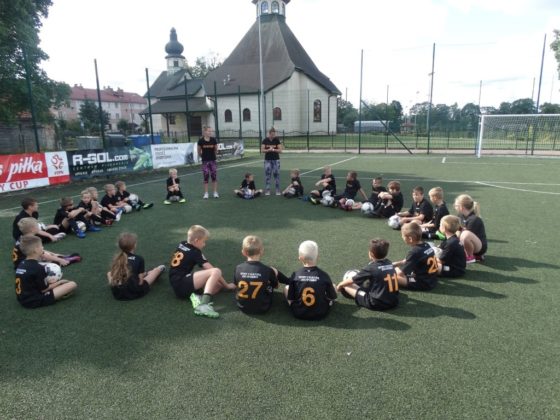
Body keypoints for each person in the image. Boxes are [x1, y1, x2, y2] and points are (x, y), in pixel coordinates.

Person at [168, 225, 235, 318]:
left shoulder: (182, 243)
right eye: (203, 241)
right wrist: (227, 286)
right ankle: (203, 305)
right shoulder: (195, 252)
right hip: (182, 283)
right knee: (216, 271)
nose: (204, 244)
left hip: (176, 282)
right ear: (196, 240)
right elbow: (211, 269)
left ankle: (196, 296)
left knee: (217, 286)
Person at [15, 235, 77, 308]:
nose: (43, 247)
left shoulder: (21, 264)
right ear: (36, 250)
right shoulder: (38, 267)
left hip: (22, 299)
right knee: (72, 284)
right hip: (34, 300)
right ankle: (59, 295)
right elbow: (44, 290)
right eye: (41, 246)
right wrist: (60, 282)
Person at [337, 238, 399, 311]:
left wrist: (340, 285)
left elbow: (352, 280)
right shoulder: (389, 262)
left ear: (371, 253)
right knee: (371, 283)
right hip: (394, 301)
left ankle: (361, 296)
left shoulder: (370, 268)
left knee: (346, 286)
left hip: (376, 303)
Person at [233, 235, 289, 314]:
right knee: (271, 276)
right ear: (261, 251)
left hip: (242, 306)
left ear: (243, 252)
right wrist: (274, 274)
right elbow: (276, 286)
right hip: (262, 307)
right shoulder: (267, 270)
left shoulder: (238, 268)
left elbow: (236, 284)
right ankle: (289, 281)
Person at [284, 240, 337, 320]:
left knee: (286, 288)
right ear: (318, 257)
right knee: (334, 286)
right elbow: (332, 297)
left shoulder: (295, 275)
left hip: (298, 313)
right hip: (321, 313)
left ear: (300, 258)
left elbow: (291, 298)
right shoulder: (324, 275)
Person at [107, 232, 165, 300]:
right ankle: (154, 271)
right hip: (135, 292)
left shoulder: (117, 259)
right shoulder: (139, 259)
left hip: (118, 294)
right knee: (157, 270)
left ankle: (145, 273)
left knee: (109, 273)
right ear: (134, 245)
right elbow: (141, 282)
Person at [12, 218, 81, 270]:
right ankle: (65, 261)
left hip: (21, 263)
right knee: (51, 266)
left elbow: (41, 252)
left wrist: (56, 254)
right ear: (32, 229)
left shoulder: (23, 237)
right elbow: (43, 255)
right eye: (37, 225)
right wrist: (59, 260)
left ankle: (62, 257)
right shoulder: (32, 240)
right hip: (25, 267)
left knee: (46, 255)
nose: (39, 226)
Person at [393, 222, 438, 291]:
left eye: (403, 236)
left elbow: (400, 273)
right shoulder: (427, 245)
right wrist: (395, 264)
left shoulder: (415, 252)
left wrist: (395, 268)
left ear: (410, 239)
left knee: (392, 277)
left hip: (423, 283)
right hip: (432, 279)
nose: (402, 237)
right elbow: (407, 261)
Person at [454, 194, 487, 263]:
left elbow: (464, 237)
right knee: (457, 232)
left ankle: (470, 256)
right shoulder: (460, 216)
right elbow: (457, 231)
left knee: (465, 234)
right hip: (469, 243)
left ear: (461, 207)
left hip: (479, 248)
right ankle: (465, 253)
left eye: (456, 205)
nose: (454, 206)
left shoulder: (474, 219)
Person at [197, 126, 220, 199]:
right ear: (204, 132)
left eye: (211, 131)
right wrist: (203, 157)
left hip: (212, 161)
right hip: (205, 161)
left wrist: (213, 156)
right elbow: (199, 151)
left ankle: (215, 192)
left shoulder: (213, 140)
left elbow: (216, 150)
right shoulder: (200, 141)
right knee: (206, 176)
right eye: (209, 131)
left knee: (214, 176)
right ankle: (206, 193)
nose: (210, 132)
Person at [261, 127, 283, 195]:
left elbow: (280, 150)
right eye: (272, 134)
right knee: (268, 175)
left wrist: (273, 150)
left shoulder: (277, 140)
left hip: (276, 160)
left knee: (276, 174)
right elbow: (262, 150)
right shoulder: (265, 140)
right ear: (269, 134)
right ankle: (267, 190)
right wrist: (268, 150)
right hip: (267, 160)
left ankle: (277, 190)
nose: (273, 135)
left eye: (274, 134)